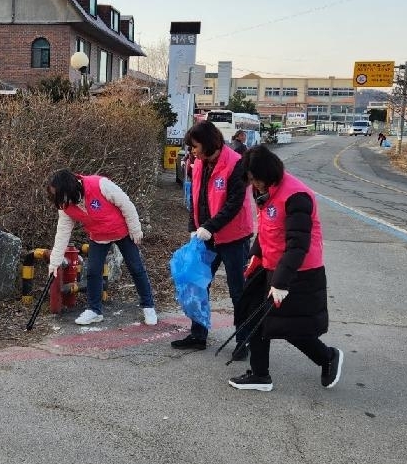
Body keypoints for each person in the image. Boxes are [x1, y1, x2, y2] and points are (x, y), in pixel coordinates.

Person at [228, 145, 343, 392]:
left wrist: (280, 282)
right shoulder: (266, 191)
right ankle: (260, 375)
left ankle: (328, 357)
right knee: (255, 318)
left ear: (266, 173)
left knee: (290, 327)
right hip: (269, 265)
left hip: (297, 271)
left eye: (255, 180)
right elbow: (267, 228)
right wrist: (255, 255)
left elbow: (298, 245)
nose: (253, 186)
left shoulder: (295, 195)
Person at [171, 120, 253, 352]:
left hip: (233, 237)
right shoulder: (199, 163)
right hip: (205, 237)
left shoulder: (236, 163)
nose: (192, 151)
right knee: (198, 284)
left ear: (208, 143)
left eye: (195, 146)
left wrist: (210, 226)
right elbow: (195, 200)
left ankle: (242, 341)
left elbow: (234, 203)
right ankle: (198, 334)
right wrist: (193, 227)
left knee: (238, 289)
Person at [46, 169, 157, 327]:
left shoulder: (99, 185)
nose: (59, 200)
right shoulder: (65, 206)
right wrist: (55, 262)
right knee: (92, 271)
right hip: (98, 237)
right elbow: (62, 233)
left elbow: (126, 204)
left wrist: (135, 229)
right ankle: (94, 311)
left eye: (60, 194)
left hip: (122, 232)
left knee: (136, 268)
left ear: (69, 188)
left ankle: (148, 306)